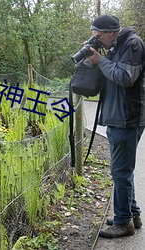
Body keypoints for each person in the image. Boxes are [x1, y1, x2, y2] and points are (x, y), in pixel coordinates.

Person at [87, 15, 145, 238]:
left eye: (99, 37)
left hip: (127, 118)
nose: (98, 41)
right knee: (122, 171)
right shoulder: (116, 46)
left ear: (111, 32)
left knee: (120, 171)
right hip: (117, 117)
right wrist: (97, 60)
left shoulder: (133, 44)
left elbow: (124, 77)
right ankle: (132, 214)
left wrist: (100, 61)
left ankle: (123, 223)